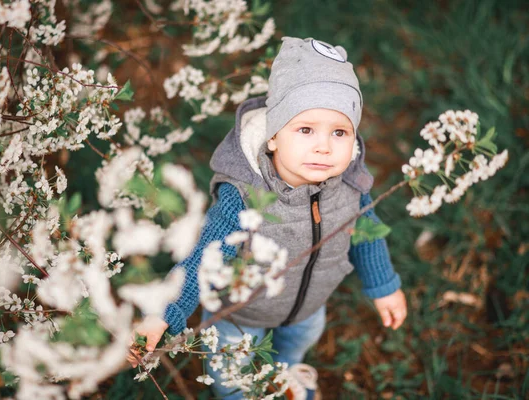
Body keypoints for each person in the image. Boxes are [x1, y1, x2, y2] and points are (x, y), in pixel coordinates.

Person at [127, 36, 408, 398]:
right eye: (305, 130)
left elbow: (366, 233)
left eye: (339, 132)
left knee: (299, 340)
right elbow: (203, 258)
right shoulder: (245, 196)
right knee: (231, 372)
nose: (324, 145)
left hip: (308, 306)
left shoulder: (350, 183)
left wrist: (384, 285)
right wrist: (163, 313)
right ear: (273, 137)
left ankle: (287, 373)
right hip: (240, 315)